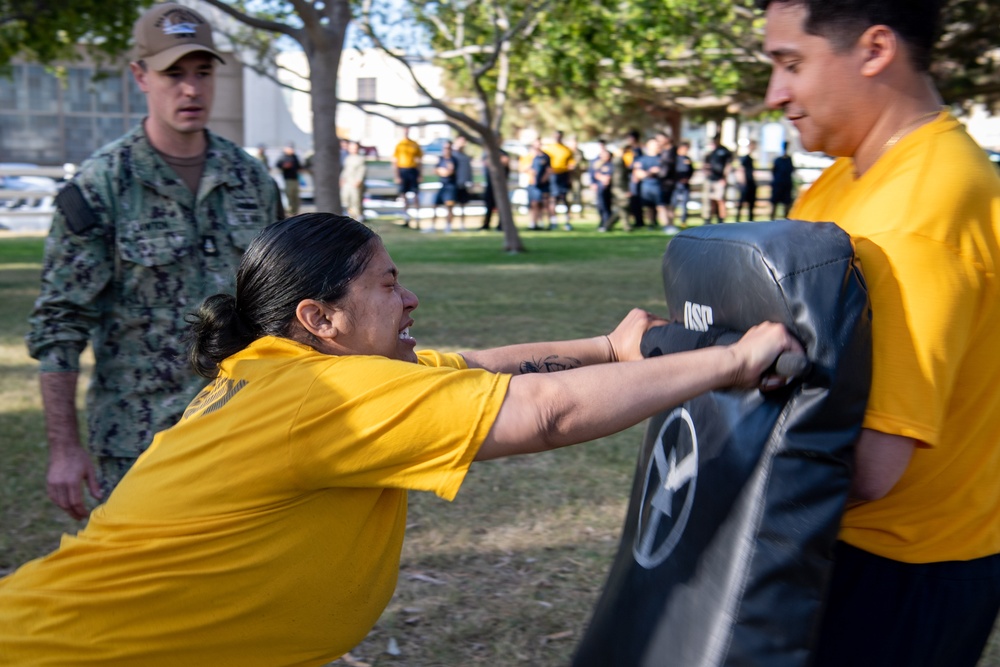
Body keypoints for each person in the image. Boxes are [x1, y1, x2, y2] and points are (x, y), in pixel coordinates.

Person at [0, 212, 799, 665]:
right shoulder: (321, 396)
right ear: (320, 319)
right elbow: (544, 414)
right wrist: (732, 360)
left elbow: (482, 366)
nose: (409, 297)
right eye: (386, 283)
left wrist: (606, 347)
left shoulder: (294, 373)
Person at [758, 1, 1000, 666]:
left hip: (902, 567)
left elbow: (870, 466)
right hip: (830, 542)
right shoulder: (843, 177)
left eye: (791, 64)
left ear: (874, 50)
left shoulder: (924, 208)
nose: (776, 93)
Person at [24, 2, 282, 521]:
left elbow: (282, 300)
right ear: (140, 76)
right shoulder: (100, 187)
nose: (191, 89)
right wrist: (65, 448)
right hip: (139, 440)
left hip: (244, 428)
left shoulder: (252, 181)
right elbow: (61, 323)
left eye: (203, 73)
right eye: (174, 74)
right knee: (142, 595)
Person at [544, 130, 575, 230]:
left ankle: (567, 222)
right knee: (553, 199)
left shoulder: (567, 150)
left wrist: (570, 177)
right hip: (553, 175)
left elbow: (571, 165)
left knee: (565, 198)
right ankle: (553, 222)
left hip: (564, 175)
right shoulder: (548, 149)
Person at [392, 126, 423, 227]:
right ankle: (407, 218)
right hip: (403, 170)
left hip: (413, 170)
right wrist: (397, 175)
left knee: (415, 195)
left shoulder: (414, 144)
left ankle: (418, 218)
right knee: (403, 195)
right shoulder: (400, 145)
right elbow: (395, 161)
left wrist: (419, 174)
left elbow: (419, 160)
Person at [633, 138, 665, 230]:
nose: (657, 146)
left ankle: (665, 225)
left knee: (661, 206)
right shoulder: (642, 159)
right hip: (647, 186)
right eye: (654, 144)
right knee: (648, 207)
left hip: (660, 186)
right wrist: (650, 172)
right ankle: (651, 225)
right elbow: (639, 174)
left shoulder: (662, 158)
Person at [428, 140, 458, 233]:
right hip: (442, 185)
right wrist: (442, 171)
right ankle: (432, 226)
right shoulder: (441, 159)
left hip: (451, 186)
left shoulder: (453, 160)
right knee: (435, 205)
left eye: (448, 148)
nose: (446, 150)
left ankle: (448, 226)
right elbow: (435, 171)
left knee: (449, 206)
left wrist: (443, 171)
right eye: (445, 148)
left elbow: (449, 172)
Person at [481, 140, 510, 231]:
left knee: (501, 205)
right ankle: (486, 224)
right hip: (490, 184)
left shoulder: (503, 153)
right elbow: (487, 163)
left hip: (500, 185)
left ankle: (501, 225)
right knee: (488, 205)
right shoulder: (487, 153)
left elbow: (504, 162)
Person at [704, 134, 733, 224]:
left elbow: (728, 165)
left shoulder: (724, 151)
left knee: (720, 200)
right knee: (710, 200)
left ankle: (721, 219)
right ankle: (708, 219)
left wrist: (724, 177)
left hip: (720, 179)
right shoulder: (711, 151)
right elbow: (706, 164)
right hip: (710, 179)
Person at [524, 138, 551, 231]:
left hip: (542, 184)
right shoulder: (529, 156)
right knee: (533, 203)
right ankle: (533, 223)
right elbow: (523, 167)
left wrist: (544, 179)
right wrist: (530, 171)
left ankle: (543, 222)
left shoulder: (545, 157)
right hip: (532, 183)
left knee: (542, 203)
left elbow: (549, 170)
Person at [339, 140, 367, 223]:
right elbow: (345, 170)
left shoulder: (360, 158)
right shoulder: (348, 158)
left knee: (355, 202)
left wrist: (359, 180)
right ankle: (349, 217)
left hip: (355, 184)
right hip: (347, 183)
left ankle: (357, 218)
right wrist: (342, 179)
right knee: (346, 201)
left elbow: (362, 171)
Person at [451, 135, 474, 230]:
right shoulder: (452, 155)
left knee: (462, 205)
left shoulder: (465, 156)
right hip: (453, 183)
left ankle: (462, 225)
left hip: (463, 184)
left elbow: (468, 170)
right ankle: (449, 225)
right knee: (450, 204)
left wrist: (470, 181)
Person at [670, 140, 695, 226]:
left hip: (685, 184)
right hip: (676, 184)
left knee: (685, 203)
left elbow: (691, 170)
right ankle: (671, 220)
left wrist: (687, 179)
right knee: (673, 203)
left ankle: (683, 221)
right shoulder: (674, 159)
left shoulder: (687, 159)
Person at [591, 144, 615, 231]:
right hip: (600, 189)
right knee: (600, 206)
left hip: (608, 189)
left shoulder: (611, 165)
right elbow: (594, 175)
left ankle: (607, 224)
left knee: (607, 207)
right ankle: (602, 222)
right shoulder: (597, 164)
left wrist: (603, 178)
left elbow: (610, 176)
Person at [276, 145, 303, 216]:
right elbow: (278, 165)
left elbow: (299, 166)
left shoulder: (295, 157)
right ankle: (290, 211)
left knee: (295, 196)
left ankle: (295, 211)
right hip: (287, 180)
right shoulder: (283, 157)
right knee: (289, 196)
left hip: (295, 179)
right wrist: (284, 166)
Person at [770, 141, 795, 218]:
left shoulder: (789, 160)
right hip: (778, 184)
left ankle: (785, 221)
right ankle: (772, 221)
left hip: (786, 184)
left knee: (786, 204)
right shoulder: (778, 160)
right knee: (775, 204)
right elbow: (774, 171)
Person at [736, 140, 758, 221]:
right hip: (746, 184)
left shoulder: (751, 159)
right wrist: (743, 183)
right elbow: (741, 170)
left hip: (751, 183)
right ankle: (738, 220)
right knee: (742, 202)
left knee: (751, 204)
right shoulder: (745, 158)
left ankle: (750, 220)